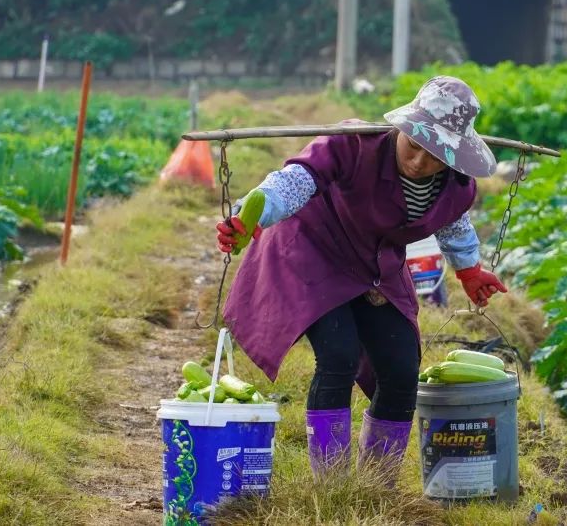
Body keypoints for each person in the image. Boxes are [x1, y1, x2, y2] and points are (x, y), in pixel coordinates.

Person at [215, 75, 508, 480]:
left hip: (376, 269)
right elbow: (293, 181)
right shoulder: (352, 144)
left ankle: (375, 483)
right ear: (403, 128)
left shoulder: (456, 187)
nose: (421, 162)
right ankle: (333, 483)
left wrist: (470, 271)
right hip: (315, 253)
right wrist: (252, 215)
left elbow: (454, 225)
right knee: (339, 355)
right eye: (414, 145)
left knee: (402, 368)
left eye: (436, 155)